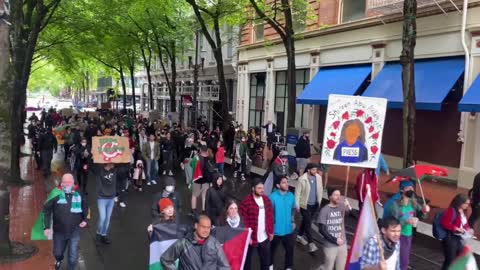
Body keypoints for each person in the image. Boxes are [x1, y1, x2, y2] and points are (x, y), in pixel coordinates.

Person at [42, 174, 88, 270]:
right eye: (65, 182)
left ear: (73, 183)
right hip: (59, 230)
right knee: (57, 253)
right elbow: (46, 210)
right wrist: (46, 227)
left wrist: (85, 220)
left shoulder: (79, 193)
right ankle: (59, 259)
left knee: (72, 256)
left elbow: (85, 207)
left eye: (69, 182)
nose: (67, 184)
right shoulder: (55, 194)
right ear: (61, 183)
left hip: (75, 230)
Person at [387, 180, 430, 270]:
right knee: (401, 260)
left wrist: (424, 211)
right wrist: (406, 221)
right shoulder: (395, 205)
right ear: (402, 190)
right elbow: (392, 223)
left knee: (404, 260)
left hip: (408, 235)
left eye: (412, 188)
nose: (411, 190)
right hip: (398, 236)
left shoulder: (413, 203)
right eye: (408, 188)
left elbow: (422, 215)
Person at [160, 215, 230, 270]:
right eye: (203, 227)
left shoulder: (214, 243)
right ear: (196, 226)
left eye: (208, 228)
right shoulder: (183, 243)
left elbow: (224, 267)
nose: (206, 230)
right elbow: (165, 259)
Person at [240, 178, 274, 270]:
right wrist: (248, 237)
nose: (262, 190)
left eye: (262, 188)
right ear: (253, 188)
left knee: (265, 262)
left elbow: (270, 217)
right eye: (259, 188)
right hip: (251, 238)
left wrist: (271, 231)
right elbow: (243, 222)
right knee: (247, 262)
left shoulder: (267, 200)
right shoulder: (246, 202)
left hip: (264, 237)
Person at [317, 188, 352, 270]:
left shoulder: (341, 206)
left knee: (341, 267)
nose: (338, 197)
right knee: (328, 267)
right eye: (336, 195)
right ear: (330, 197)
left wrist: (348, 205)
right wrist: (335, 240)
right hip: (330, 246)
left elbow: (349, 214)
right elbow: (321, 230)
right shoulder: (324, 210)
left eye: (339, 195)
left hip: (342, 244)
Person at [440, 193, 474, 270]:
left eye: (468, 204)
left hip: (459, 238)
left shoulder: (463, 211)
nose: (467, 205)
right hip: (451, 238)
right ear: (460, 202)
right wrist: (456, 228)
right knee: (450, 260)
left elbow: (465, 224)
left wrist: (469, 229)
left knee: (458, 259)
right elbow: (445, 223)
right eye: (466, 203)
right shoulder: (451, 210)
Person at [269, 177, 296, 270]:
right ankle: (270, 265)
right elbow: (268, 214)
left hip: (288, 229)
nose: (287, 184)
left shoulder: (291, 195)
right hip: (276, 230)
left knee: (290, 249)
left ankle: (288, 267)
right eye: (284, 182)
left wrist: (292, 221)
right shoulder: (272, 197)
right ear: (278, 185)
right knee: (272, 250)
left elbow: (293, 209)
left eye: (287, 182)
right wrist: (270, 228)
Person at [295, 163, 323, 253]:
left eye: (316, 170)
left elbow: (320, 189)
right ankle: (311, 244)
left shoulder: (318, 178)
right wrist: (297, 205)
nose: (315, 171)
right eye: (314, 170)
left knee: (306, 221)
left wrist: (320, 201)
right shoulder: (302, 179)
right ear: (308, 170)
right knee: (308, 225)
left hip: (314, 205)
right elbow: (297, 193)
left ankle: (299, 236)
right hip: (305, 205)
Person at [93, 163, 117, 244]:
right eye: (113, 162)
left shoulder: (115, 171)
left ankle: (104, 235)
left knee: (107, 219)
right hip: (102, 198)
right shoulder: (99, 171)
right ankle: (98, 234)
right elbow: (92, 165)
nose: (114, 163)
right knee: (102, 218)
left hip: (111, 198)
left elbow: (124, 171)